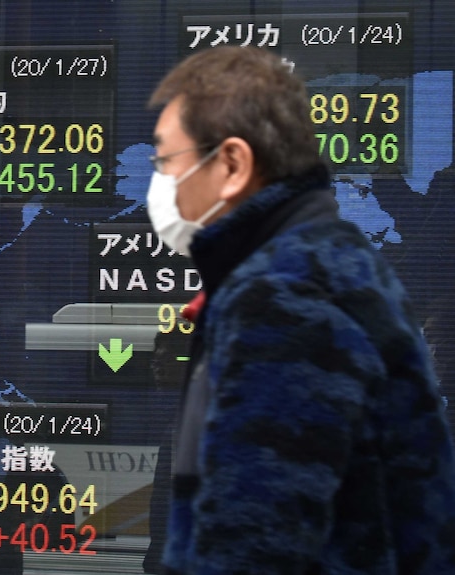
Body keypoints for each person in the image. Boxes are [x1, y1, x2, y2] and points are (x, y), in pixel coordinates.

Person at [145, 45, 455, 574]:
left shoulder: (284, 300)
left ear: (233, 164)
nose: (159, 180)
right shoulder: (326, 266)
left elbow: (258, 543)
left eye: (168, 158)